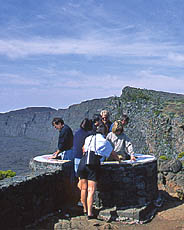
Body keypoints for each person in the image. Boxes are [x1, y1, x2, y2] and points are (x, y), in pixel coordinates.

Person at [77, 123, 120, 219]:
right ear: (103, 131)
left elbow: (83, 148)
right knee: (91, 190)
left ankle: (84, 210)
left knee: (83, 188)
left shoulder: (88, 138)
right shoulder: (104, 141)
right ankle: (90, 213)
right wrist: (119, 160)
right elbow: (113, 154)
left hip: (82, 162)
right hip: (92, 163)